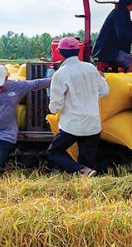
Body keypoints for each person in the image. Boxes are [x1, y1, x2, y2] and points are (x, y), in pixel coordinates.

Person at [47, 36, 110, 176]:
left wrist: (53, 109)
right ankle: (86, 174)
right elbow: (104, 92)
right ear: (78, 50)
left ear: (61, 53)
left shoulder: (60, 74)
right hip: (93, 124)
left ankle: (80, 170)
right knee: (88, 161)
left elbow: (56, 106)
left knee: (54, 152)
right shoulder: (91, 69)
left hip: (72, 125)